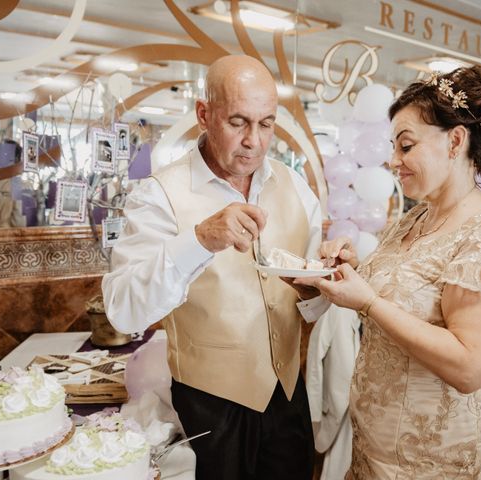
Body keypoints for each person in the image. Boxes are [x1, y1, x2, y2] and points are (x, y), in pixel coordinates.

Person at [295, 65, 481, 479]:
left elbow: (469, 367)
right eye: (393, 147)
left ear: (455, 141)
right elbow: (398, 303)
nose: (393, 161)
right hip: (372, 446)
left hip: (430, 459)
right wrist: (345, 272)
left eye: (405, 146)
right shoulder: (411, 220)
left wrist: (368, 301)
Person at [102, 55, 325, 479]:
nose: (254, 141)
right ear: (204, 114)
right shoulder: (157, 196)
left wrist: (319, 284)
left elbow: (307, 296)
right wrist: (198, 241)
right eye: (238, 121)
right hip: (209, 411)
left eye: (266, 124)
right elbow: (123, 309)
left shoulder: (294, 186)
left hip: (288, 402)